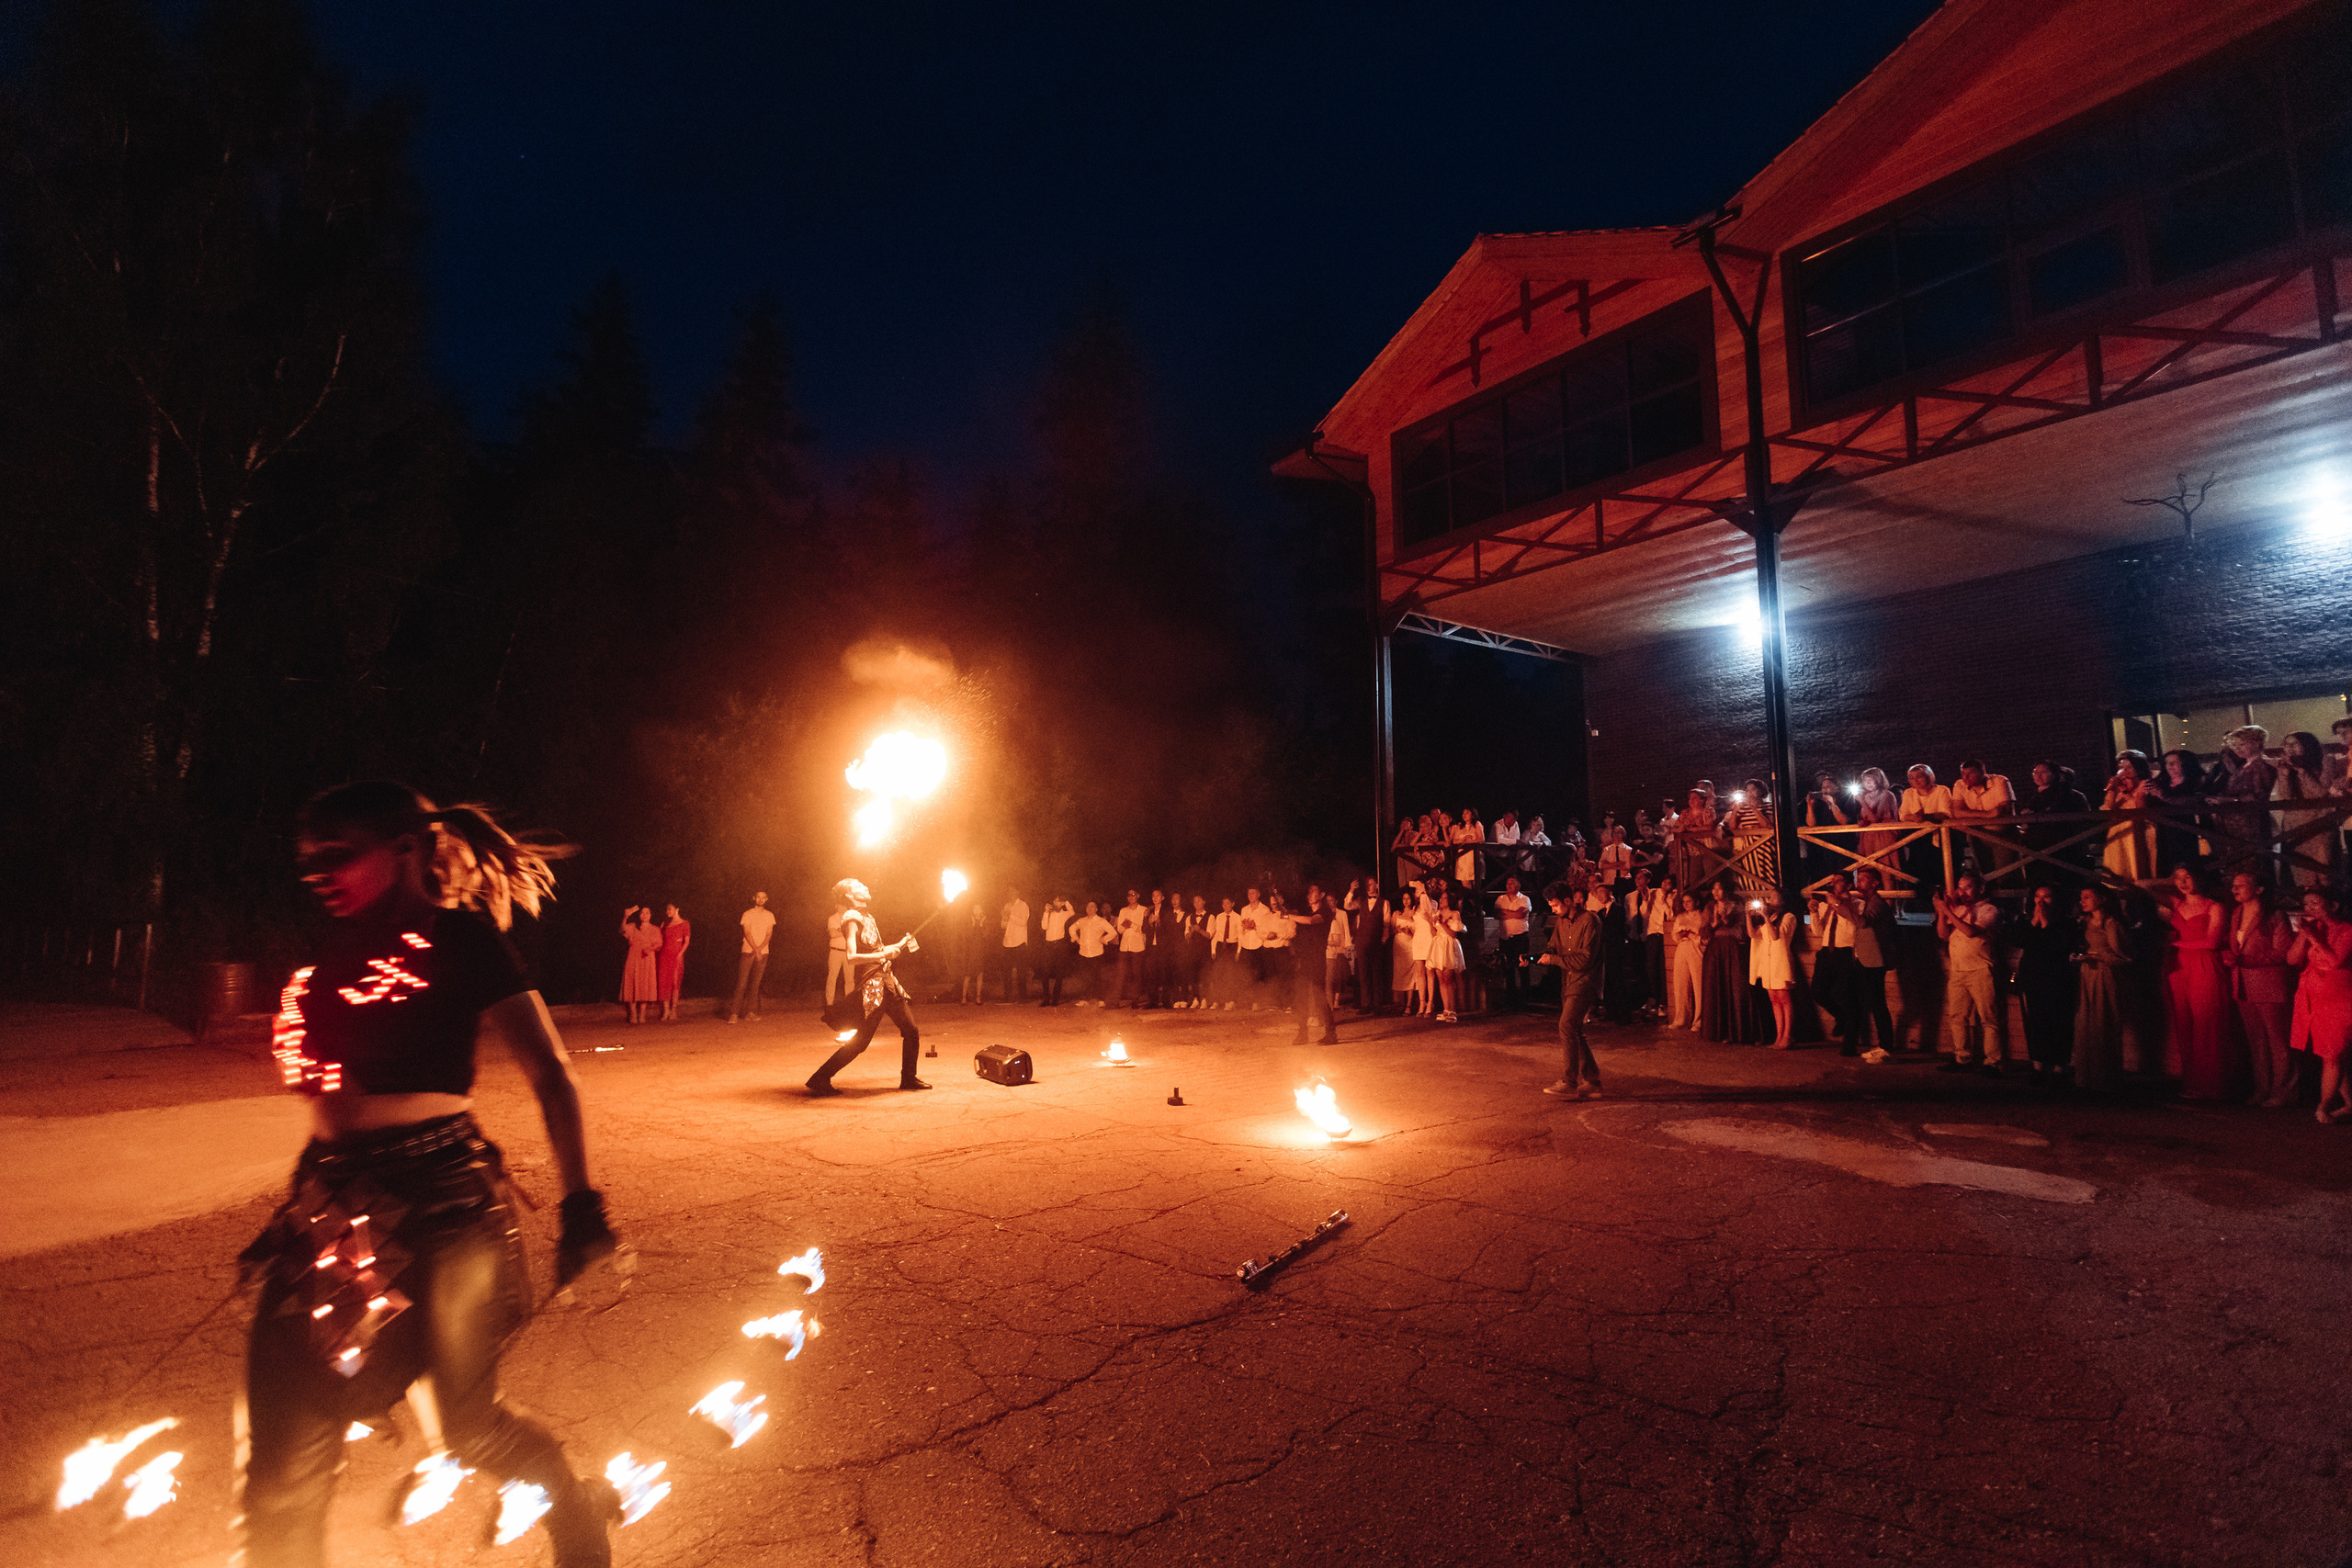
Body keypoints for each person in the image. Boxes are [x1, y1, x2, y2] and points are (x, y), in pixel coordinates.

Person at [246, 782, 620, 1568]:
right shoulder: (325, 957)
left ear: (407, 849)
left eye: (338, 854)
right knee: (285, 1453)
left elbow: (553, 1074)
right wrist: (289, 1211)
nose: (317, 872)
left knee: (470, 1424)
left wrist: (581, 1207)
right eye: (308, 859)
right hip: (334, 1209)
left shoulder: (464, 942)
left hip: (448, 1209)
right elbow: (331, 1115)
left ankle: (576, 1518)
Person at [805, 878, 929, 1096]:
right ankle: (820, 1077)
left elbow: (876, 949)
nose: (866, 887)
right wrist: (883, 954)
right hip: (874, 987)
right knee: (861, 1042)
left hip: (887, 982)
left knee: (911, 1030)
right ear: (849, 896)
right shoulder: (851, 919)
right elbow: (851, 956)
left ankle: (908, 1078)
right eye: (859, 887)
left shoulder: (867, 917)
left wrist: (897, 945)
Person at [2161, 864, 2234, 1100]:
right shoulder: (2177, 903)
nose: (2182, 882)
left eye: (2188, 877)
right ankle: (2192, 1082)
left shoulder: (2216, 907)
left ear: (2200, 878)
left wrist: (2175, 945)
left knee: (2207, 1025)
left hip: (2204, 966)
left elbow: (2212, 942)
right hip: (2180, 970)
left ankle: (2211, 1085)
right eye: (2178, 878)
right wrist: (2166, 878)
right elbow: (2139, 887)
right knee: (2185, 1026)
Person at [2227, 873, 2299, 1108]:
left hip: (2269, 985)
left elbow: (2282, 952)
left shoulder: (2274, 915)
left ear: (2258, 889)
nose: (2235, 889)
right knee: (2256, 1041)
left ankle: (2285, 1090)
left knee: (2278, 1041)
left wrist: (2250, 960)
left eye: (2242, 885)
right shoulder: (2237, 913)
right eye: (2234, 885)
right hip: (2244, 984)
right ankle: (2262, 1088)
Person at [2288, 888, 2352, 1122]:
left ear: (2333, 905)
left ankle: (2323, 1107)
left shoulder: (2347, 931)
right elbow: (2292, 959)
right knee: (2332, 1053)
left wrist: (2313, 937)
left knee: (2333, 1053)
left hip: (2340, 998)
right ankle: (2349, 1103)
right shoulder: (2313, 930)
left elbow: (2335, 961)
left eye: (2315, 903)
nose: (2309, 909)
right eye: (2306, 904)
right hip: (2315, 998)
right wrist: (2304, 936)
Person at [1932, 874, 2006, 1074]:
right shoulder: (1959, 909)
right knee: (1957, 1016)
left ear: (1981, 888)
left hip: (1981, 969)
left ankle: (1993, 1062)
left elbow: (1970, 931)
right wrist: (1942, 913)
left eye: (1967, 887)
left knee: (1988, 1018)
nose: (1961, 892)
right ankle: (1962, 1057)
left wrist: (1947, 909)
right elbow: (1943, 935)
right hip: (1958, 970)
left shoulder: (1990, 910)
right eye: (1959, 888)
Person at [1538, 877, 1604, 1099]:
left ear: (1568, 901)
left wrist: (1554, 960)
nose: (1554, 910)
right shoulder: (1561, 922)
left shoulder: (1590, 921)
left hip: (1584, 982)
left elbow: (1585, 959)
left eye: (1556, 905)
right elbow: (1553, 947)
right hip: (1568, 982)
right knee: (1574, 1029)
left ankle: (1569, 1081)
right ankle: (1593, 1081)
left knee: (1566, 1025)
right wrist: (1535, 957)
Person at [2010, 884, 2078, 1082]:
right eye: (2037, 896)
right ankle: (2038, 1066)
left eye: (2046, 897)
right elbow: (2020, 940)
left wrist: (2046, 922)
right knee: (2036, 1021)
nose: (2040, 901)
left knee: (2059, 1021)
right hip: (2034, 978)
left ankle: (2059, 1068)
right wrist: (2034, 922)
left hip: (2058, 978)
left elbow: (2059, 945)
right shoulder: (2025, 921)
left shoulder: (2067, 923)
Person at [2073, 885, 2134, 1092]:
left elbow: (2123, 956)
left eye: (2087, 897)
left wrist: (2095, 956)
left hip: (2104, 975)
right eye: (2082, 897)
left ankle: (2105, 1078)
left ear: (2103, 899)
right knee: (2086, 1024)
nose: (2083, 901)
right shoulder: (2085, 922)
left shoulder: (2111, 923)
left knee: (2103, 1023)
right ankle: (2086, 1076)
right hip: (2087, 974)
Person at [1838, 868, 1899, 1055]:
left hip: (1874, 961)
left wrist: (1840, 907)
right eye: (1859, 878)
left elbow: (1863, 923)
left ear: (1875, 883)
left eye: (1865, 879)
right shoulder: (1867, 902)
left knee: (1878, 1004)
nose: (1860, 882)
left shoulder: (1878, 904)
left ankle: (1886, 1046)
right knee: (1861, 1001)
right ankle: (1855, 1045)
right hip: (1863, 959)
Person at [1698, 883, 1761, 1043]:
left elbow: (1742, 932)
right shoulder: (1710, 907)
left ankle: (1738, 1032)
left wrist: (1727, 919)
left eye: (1719, 888)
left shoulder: (1738, 905)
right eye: (1713, 889)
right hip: (1716, 951)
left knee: (1737, 989)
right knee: (1716, 988)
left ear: (1727, 890)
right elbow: (1704, 933)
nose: (1715, 892)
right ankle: (1720, 1032)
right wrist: (1715, 922)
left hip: (1734, 950)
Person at [2273, 731, 2335, 888]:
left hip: (2320, 823)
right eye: (2286, 744)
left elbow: (2320, 792)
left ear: (2306, 744)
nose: (2289, 748)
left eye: (2294, 744)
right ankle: (2308, 907)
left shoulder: (2326, 761)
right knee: (2302, 874)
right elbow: (2286, 796)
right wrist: (2286, 775)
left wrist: (2302, 772)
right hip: (2295, 826)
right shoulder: (2284, 766)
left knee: (2324, 871)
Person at [2017, 760, 2090, 884]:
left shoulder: (2068, 795)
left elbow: (2071, 818)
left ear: (2054, 774)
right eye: (2035, 772)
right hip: (2034, 847)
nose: (2038, 776)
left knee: (2062, 882)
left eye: (2044, 772)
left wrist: (2036, 816)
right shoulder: (2030, 796)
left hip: (2061, 848)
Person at [1808, 874, 1857, 1052]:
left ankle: (1849, 1044)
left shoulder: (1857, 904)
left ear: (1849, 884)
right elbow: (1818, 931)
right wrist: (1814, 912)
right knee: (1817, 991)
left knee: (1848, 997)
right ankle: (1840, 1016)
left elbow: (1853, 929)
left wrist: (1838, 905)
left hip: (1846, 952)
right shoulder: (1824, 906)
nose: (1834, 883)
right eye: (1833, 881)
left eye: (1839, 880)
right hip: (1826, 952)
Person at [1747, 886, 1799, 1048]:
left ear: (1783, 900)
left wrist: (1765, 916)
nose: (1770, 900)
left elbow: (1777, 936)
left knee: (1784, 999)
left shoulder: (1789, 917)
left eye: (1775, 897)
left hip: (1780, 961)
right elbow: (1753, 935)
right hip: (1768, 962)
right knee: (1774, 1000)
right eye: (1770, 897)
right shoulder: (1770, 917)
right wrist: (1747, 915)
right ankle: (1779, 1036)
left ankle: (1788, 1035)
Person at [1949, 759, 2017, 881]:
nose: (1965, 778)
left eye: (1970, 774)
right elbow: (1957, 812)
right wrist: (1988, 814)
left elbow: (2005, 810)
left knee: (2007, 875)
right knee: (1984, 875)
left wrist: (1969, 816)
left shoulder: (2000, 781)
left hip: (2003, 835)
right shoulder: (1959, 785)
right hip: (1977, 835)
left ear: (1982, 772)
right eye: (1963, 774)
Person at [1293, 886, 1341, 1045]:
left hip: (1317, 960)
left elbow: (1311, 921)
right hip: (1304, 959)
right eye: (1309, 892)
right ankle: (1302, 1034)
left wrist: (1288, 916)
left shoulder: (1326, 912)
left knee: (1319, 996)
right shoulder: (1304, 910)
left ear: (1321, 894)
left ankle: (1331, 1033)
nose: (1310, 895)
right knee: (1301, 997)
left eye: (1313, 892)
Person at [2151, 749, 2210, 875]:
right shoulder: (2161, 783)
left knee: (2188, 865)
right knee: (2167, 865)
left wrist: (2164, 797)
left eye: (2175, 762)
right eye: (2167, 763)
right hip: (2165, 831)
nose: (2170, 766)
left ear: (2185, 764)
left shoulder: (2197, 782)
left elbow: (2192, 800)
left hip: (2189, 830)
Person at [2100, 751, 2157, 884]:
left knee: (2139, 867)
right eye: (2121, 767)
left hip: (2140, 830)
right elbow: (2109, 807)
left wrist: (2124, 791)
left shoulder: (2145, 783)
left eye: (2128, 767)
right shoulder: (2120, 785)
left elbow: (2139, 809)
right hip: (2120, 830)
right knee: (2120, 866)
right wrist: (2112, 789)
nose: (2124, 771)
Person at [727, 890, 775, 1023]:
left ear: (766, 899)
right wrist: (756, 949)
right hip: (748, 951)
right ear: (754, 898)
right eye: (758, 897)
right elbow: (747, 933)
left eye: (763, 897)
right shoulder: (747, 914)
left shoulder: (770, 915)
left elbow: (769, 934)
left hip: (763, 952)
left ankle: (750, 1012)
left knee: (755, 984)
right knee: (742, 983)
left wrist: (760, 950)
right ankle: (734, 1014)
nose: (761, 900)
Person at [1854, 767, 1903, 891]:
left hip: (1883, 836)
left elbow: (1876, 818)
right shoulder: (1866, 796)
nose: (1868, 784)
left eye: (1871, 780)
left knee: (1886, 871)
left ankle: (1890, 905)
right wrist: (1862, 821)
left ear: (1879, 781)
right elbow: (1867, 817)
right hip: (1869, 837)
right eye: (1866, 781)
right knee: (1869, 871)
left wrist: (1862, 802)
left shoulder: (1887, 795)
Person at [1633, 870, 1673, 1020]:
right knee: (1650, 968)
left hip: (1665, 934)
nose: (1665, 885)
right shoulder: (1654, 892)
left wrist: (1664, 901)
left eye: (1668, 883)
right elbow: (1644, 913)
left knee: (1663, 969)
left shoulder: (1674, 896)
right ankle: (1655, 998)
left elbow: (1670, 915)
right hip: (1652, 933)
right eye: (1664, 882)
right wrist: (1645, 900)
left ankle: (1663, 1003)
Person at [1667, 891, 1707, 1030]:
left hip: (1696, 949)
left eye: (1689, 901)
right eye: (1684, 902)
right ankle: (1681, 1018)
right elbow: (1674, 935)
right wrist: (1681, 935)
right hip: (1682, 948)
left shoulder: (1703, 916)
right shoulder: (1680, 917)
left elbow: (1704, 936)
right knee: (1680, 984)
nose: (1686, 904)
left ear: (1696, 902)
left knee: (1698, 984)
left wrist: (1691, 934)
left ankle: (1699, 1020)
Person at [1427, 885, 1467, 1021]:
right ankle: (1446, 1009)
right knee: (1441, 979)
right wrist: (1431, 923)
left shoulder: (1454, 913)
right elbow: (1434, 932)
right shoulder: (1437, 914)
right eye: (1441, 898)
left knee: (1449, 979)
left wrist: (1441, 923)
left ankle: (1452, 1010)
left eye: (1445, 898)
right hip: (1438, 946)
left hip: (1449, 946)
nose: (1442, 900)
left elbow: (1452, 934)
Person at [1493, 875, 1533, 1010]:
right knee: (1508, 967)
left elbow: (1520, 914)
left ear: (1518, 886)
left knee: (1522, 966)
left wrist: (1506, 913)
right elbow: (1497, 914)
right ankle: (1511, 997)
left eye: (1512, 883)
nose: (1509, 885)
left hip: (1520, 937)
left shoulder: (1525, 899)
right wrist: (1513, 913)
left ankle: (1526, 997)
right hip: (1506, 938)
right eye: (1507, 883)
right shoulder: (1500, 899)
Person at [618, 906, 661, 1025]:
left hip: (647, 958)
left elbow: (659, 943)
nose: (645, 915)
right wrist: (625, 917)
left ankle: (642, 1014)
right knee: (632, 983)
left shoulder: (655, 929)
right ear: (639, 915)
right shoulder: (633, 926)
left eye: (647, 913)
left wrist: (650, 948)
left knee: (644, 984)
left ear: (651, 915)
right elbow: (623, 929)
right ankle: (633, 1014)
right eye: (643, 912)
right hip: (633, 957)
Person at [1069, 899, 1116, 1005]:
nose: (1089, 909)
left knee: (1099, 977)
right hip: (1084, 952)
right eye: (1088, 907)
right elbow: (1072, 928)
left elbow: (1113, 933)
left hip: (1097, 953)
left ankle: (1101, 999)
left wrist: (1103, 939)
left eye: (1092, 907)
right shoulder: (1081, 921)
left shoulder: (1101, 921)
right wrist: (1076, 939)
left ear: (1096, 909)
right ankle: (1084, 999)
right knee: (1085, 977)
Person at [1113, 889, 1148, 1008]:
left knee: (1136, 975)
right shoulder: (1123, 911)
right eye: (1129, 895)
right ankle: (1116, 1000)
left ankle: (1135, 1000)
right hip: (1124, 947)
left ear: (1138, 896)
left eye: (1133, 895)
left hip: (1137, 946)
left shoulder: (1143, 910)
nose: (1131, 897)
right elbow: (1120, 930)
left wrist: (1131, 924)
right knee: (1121, 973)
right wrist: (1124, 925)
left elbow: (1142, 929)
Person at [1238, 886, 1273, 1004]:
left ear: (1258, 894)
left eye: (1253, 893)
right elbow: (1241, 930)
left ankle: (1258, 1001)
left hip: (1259, 944)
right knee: (1246, 974)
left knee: (1259, 974)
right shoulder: (1244, 910)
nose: (1250, 896)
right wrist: (1239, 949)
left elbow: (1267, 929)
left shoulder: (1265, 910)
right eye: (1248, 894)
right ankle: (1248, 1000)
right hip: (1247, 944)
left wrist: (1254, 927)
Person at [654, 903, 690, 1022]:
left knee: (675, 983)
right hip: (664, 955)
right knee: (665, 982)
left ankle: (673, 1010)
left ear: (677, 909)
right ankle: (666, 1011)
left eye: (670, 909)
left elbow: (686, 941)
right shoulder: (666, 924)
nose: (667, 912)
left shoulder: (684, 924)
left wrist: (680, 954)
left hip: (677, 955)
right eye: (666, 909)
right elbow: (659, 940)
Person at [1037, 895, 1075, 1007]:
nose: (1055, 903)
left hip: (1060, 944)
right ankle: (1045, 998)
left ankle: (1055, 999)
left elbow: (1072, 911)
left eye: (1058, 901)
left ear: (1062, 903)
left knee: (1060, 972)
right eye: (1054, 900)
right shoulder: (1049, 913)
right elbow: (1044, 927)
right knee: (1045, 972)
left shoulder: (1064, 914)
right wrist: (1046, 912)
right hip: (1048, 944)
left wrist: (1065, 901)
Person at [1207, 896, 1242, 1009]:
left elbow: (1240, 935)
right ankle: (1218, 1000)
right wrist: (1213, 949)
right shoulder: (1219, 916)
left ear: (1232, 904)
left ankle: (1231, 1000)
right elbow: (1217, 933)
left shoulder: (1238, 917)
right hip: (1221, 946)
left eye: (1228, 903)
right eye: (1223, 904)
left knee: (1230, 974)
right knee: (1218, 973)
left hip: (1232, 946)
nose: (1225, 906)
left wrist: (1238, 951)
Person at [1000, 890, 1032, 1001]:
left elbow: (1023, 922)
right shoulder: (1007, 905)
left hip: (1019, 941)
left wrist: (1011, 915)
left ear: (1018, 892)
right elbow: (1003, 925)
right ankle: (1007, 997)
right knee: (1007, 971)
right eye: (1009, 891)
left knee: (1021, 971)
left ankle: (1023, 997)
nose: (1010, 894)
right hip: (1008, 941)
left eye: (1013, 891)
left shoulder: (1023, 905)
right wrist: (1004, 918)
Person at [824, 888, 853, 1008]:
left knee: (850, 980)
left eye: (844, 905)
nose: (842, 907)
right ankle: (829, 1005)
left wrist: (840, 931)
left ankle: (849, 1004)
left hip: (849, 952)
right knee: (832, 978)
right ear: (836, 906)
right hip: (835, 951)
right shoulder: (832, 918)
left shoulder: (851, 918)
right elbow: (832, 934)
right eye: (840, 905)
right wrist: (845, 931)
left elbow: (853, 934)